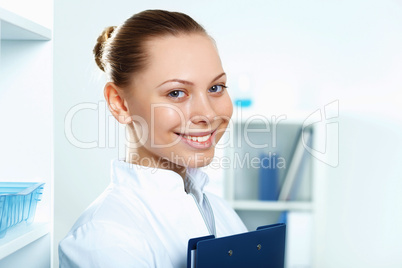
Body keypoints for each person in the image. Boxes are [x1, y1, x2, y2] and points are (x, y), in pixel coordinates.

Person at [58, 9, 247, 268]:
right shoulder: (105, 239)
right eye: (177, 93)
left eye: (216, 88)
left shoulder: (221, 212)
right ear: (120, 104)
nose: (207, 113)